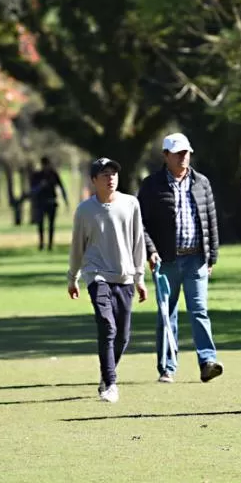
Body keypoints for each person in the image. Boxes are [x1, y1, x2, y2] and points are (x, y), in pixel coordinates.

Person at [136, 133, 224, 384]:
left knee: (199, 311)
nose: (183, 157)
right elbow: (140, 224)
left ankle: (207, 361)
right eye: (177, 153)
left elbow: (210, 221)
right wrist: (150, 250)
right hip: (166, 261)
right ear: (165, 156)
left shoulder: (201, 183)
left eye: (186, 152)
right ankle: (167, 367)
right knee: (167, 313)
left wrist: (211, 257)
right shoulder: (151, 185)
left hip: (196, 258)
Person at [68, 158, 148, 403]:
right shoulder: (85, 210)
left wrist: (139, 277)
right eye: (104, 174)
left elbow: (138, 241)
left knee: (122, 335)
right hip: (97, 274)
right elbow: (77, 247)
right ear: (94, 180)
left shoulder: (131, 204)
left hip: (124, 276)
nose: (111, 178)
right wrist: (73, 277)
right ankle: (111, 383)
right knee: (107, 325)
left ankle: (106, 373)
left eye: (113, 173)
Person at [28, 156, 69, 251]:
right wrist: (40, 186)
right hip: (41, 203)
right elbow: (33, 190)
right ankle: (41, 244)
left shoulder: (53, 174)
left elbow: (61, 187)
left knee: (51, 225)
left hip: (51, 202)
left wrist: (65, 200)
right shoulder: (37, 175)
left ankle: (50, 245)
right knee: (40, 224)